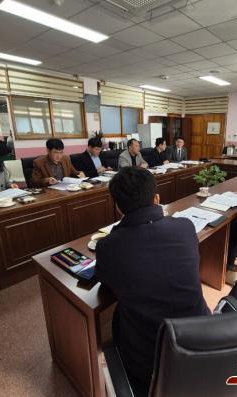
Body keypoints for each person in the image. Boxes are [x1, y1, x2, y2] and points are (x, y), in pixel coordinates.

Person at [96, 167, 210, 394]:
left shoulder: (108, 246)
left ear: (118, 208)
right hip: (203, 341)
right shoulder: (185, 227)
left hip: (148, 364)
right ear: (157, 199)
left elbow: (105, 280)